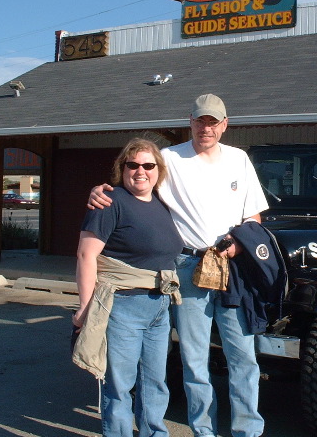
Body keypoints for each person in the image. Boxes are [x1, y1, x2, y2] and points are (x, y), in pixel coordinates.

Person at [88, 94, 269, 437]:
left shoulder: (239, 160)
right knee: (194, 361)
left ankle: (248, 431)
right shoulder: (169, 159)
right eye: (201, 121)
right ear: (190, 121)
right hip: (188, 266)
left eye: (214, 122)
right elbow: (136, 183)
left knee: (243, 357)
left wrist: (237, 244)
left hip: (234, 269)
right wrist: (102, 190)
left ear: (224, 125)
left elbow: (254, 215)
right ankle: (204, 430)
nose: (207, 128)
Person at [73, 137, 184, 437]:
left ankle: (154, 433)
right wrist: (85, 309)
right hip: (124, 306)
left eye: (148, 165)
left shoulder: (162, 203)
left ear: (158, 170)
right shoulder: (109, 202)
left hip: (160, 306)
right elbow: (86, 255)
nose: (140, 171)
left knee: (155, 382)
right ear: (121, 169)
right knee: (120, 385)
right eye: (132, 165)